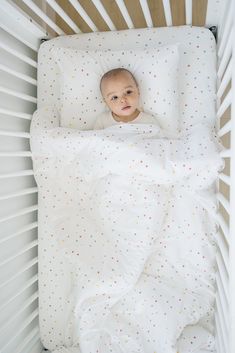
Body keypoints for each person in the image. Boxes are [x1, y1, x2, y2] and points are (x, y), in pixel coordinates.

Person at [93, 68, 158, 129]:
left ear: (138, 91)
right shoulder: (102, 122)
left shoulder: (148, 121)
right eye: (115, 97)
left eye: (128, 92)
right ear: (106, 102)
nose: (123, 100)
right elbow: (93, 140)